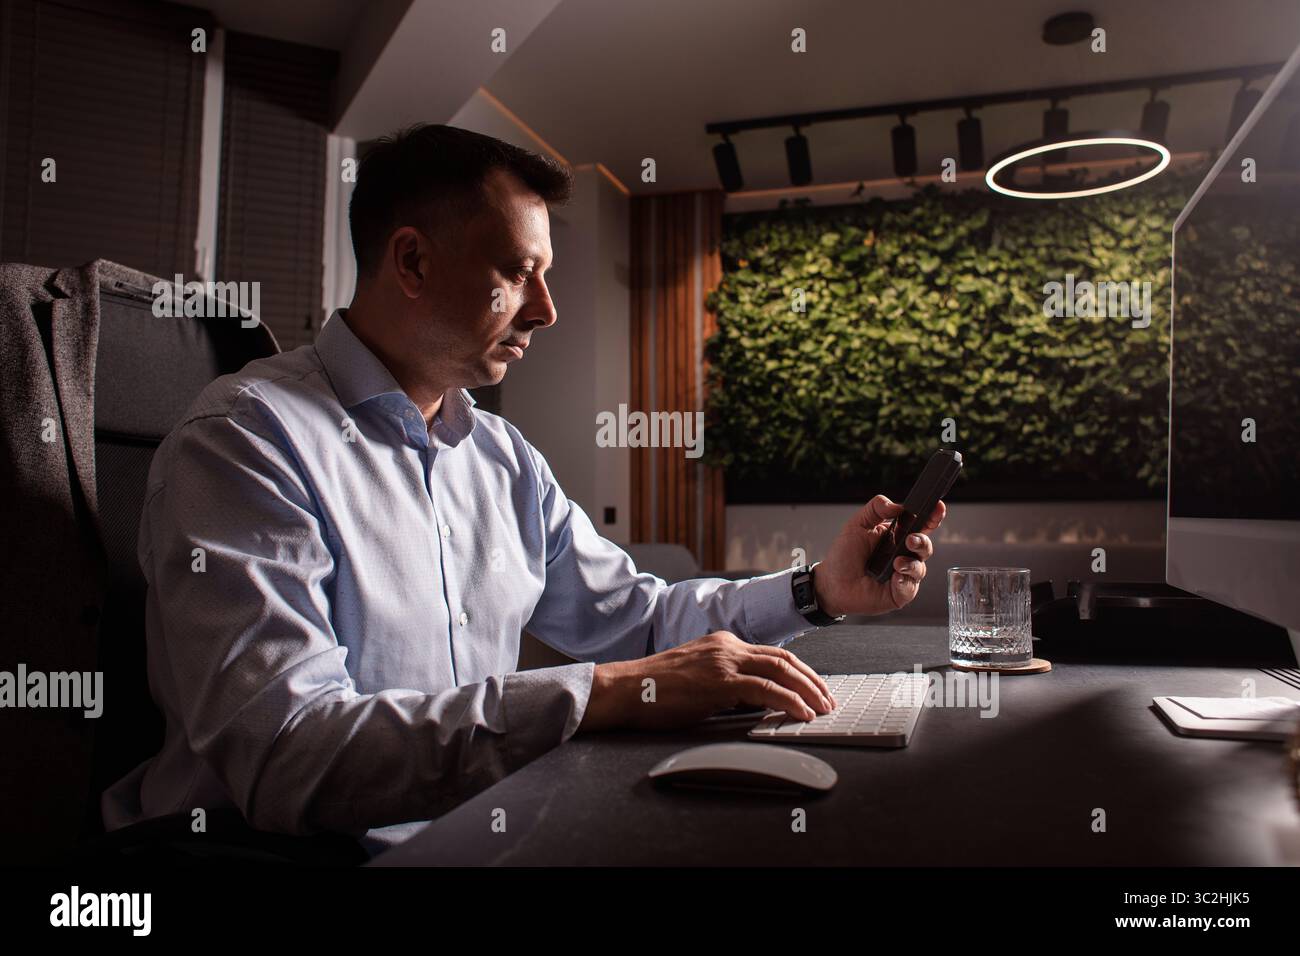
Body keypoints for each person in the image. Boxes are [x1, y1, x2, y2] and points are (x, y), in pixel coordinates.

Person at [102, 124, 946, 855]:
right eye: (521, 270)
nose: (546, 308)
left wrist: (817, 590)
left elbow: (638, 620)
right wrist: (605, 695)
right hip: (261, 861)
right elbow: (290, 755)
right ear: (412, 261)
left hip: (473, 831)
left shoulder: (501, 457)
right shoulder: (247, 439)